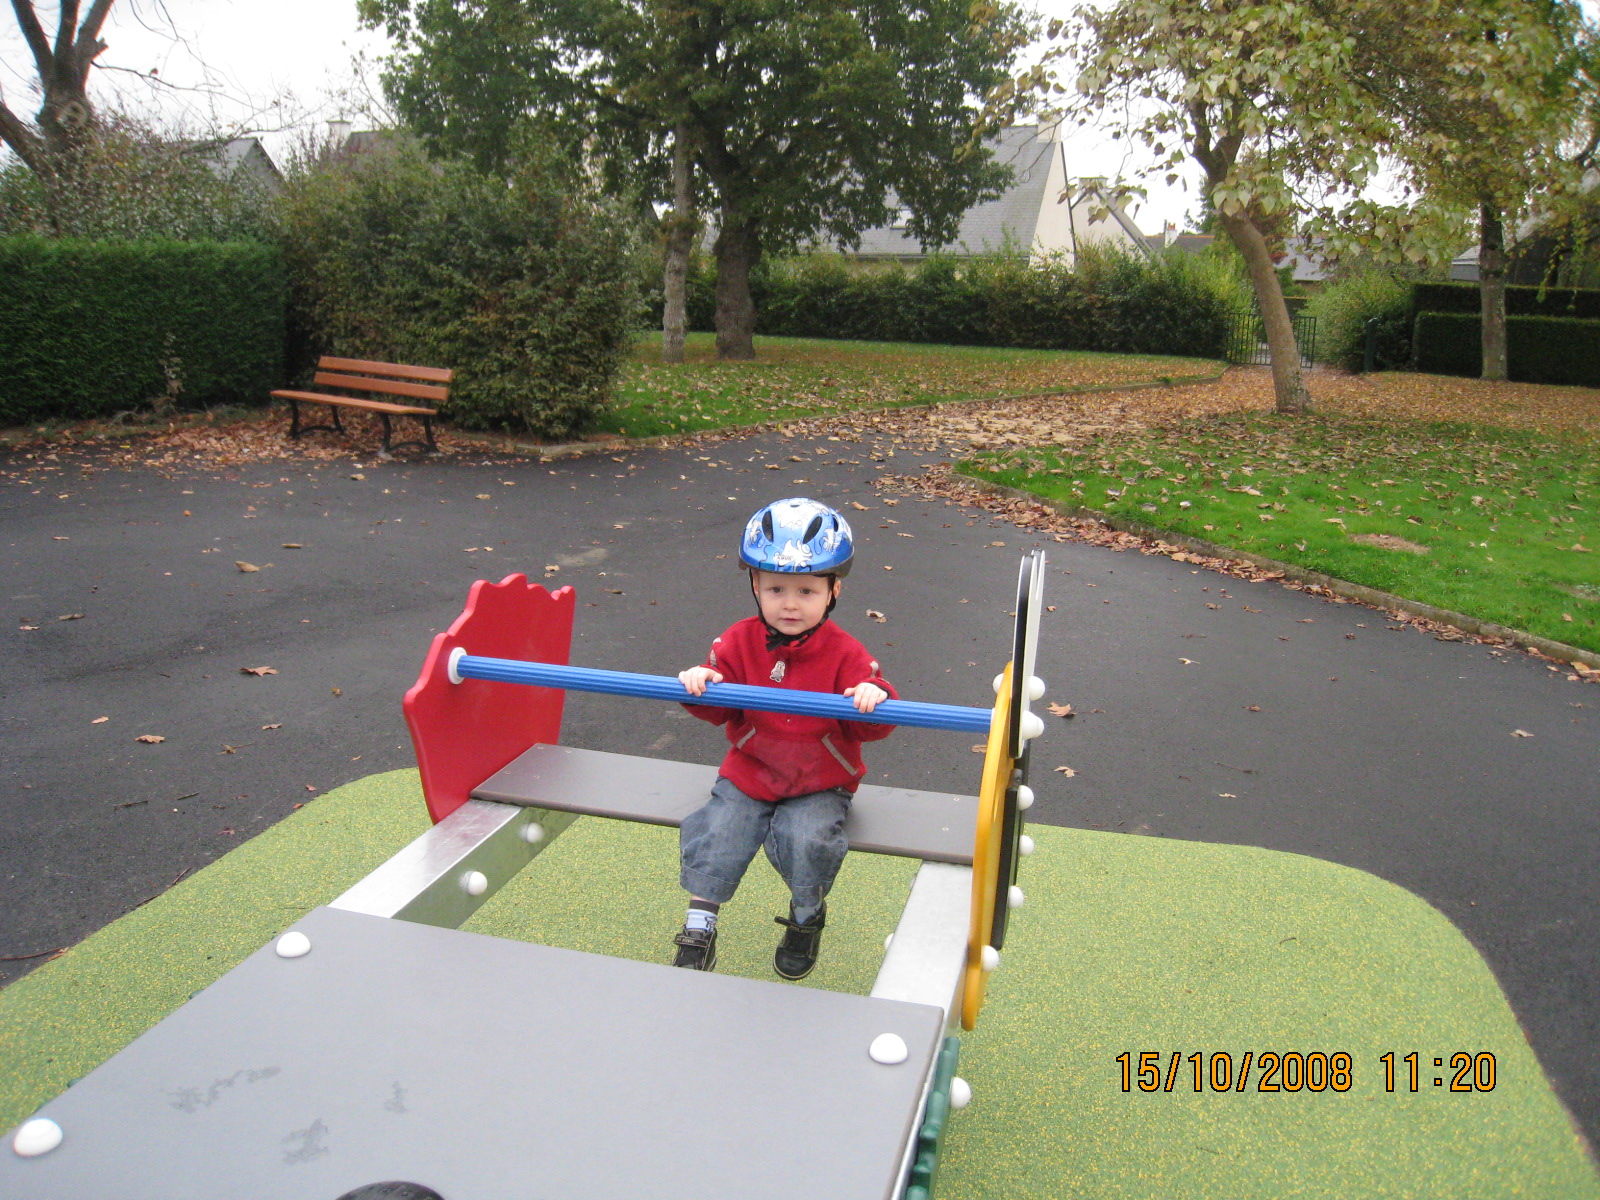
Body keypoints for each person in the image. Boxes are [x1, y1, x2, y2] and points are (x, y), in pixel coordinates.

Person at [672, 497, 897, 979]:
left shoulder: (847, 653)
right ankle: (699, 926)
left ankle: (805, 916)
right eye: (776, 588)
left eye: (806, 591)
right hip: (752, 772)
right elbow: (718, 710)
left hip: (820, 780)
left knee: (807, 839)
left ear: (833, 591)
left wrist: (872, 696)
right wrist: (702, 684)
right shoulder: (736, 641)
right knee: (720, 830)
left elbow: (875, 726)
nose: (790, 604)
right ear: (755, 586)